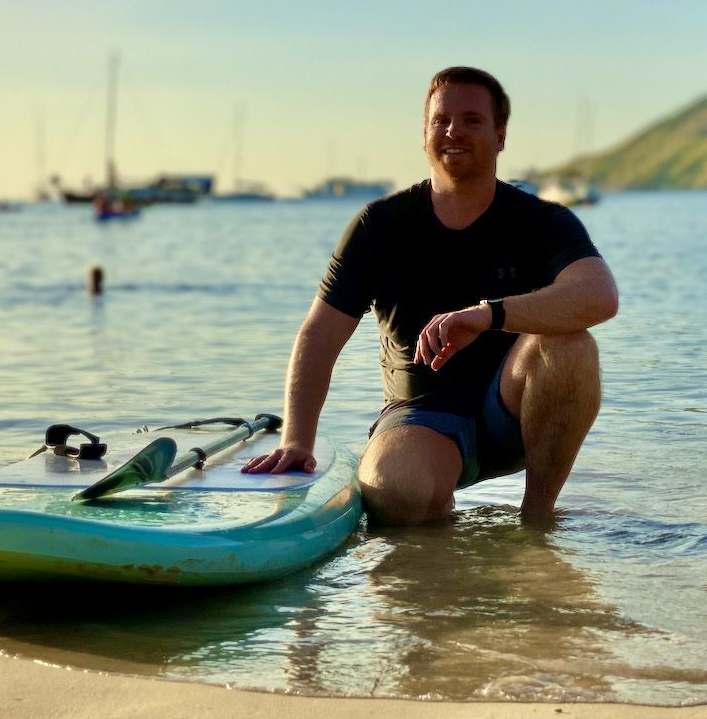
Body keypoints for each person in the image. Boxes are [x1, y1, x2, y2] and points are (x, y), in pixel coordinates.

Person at [242, 66, 619, 526]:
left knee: (571, 344)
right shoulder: (379, 225)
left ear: (500, 136)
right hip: (423, 415)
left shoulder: (542, 221)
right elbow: (320, 334)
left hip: (514, 412)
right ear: (424, 135)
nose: (453, 131)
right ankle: (442, 538)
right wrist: (298, 441)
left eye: (472, 120)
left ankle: (537, 522)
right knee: (397, 497)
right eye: (441, 121)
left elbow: (599, 295)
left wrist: (489, 315)